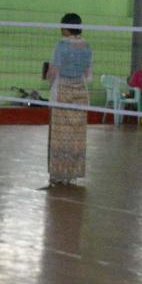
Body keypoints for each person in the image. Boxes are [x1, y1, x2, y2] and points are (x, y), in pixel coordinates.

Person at [44, 13, 93, 184]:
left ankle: (58, 173)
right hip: (80, 93)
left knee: (59, 135)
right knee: (77, 136)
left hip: (62, 92)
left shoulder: (61, 45)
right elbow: (88, 74)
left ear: (66, 27)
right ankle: (72, 175)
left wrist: (49, 81)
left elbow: (53, 71)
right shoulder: (87, 46)